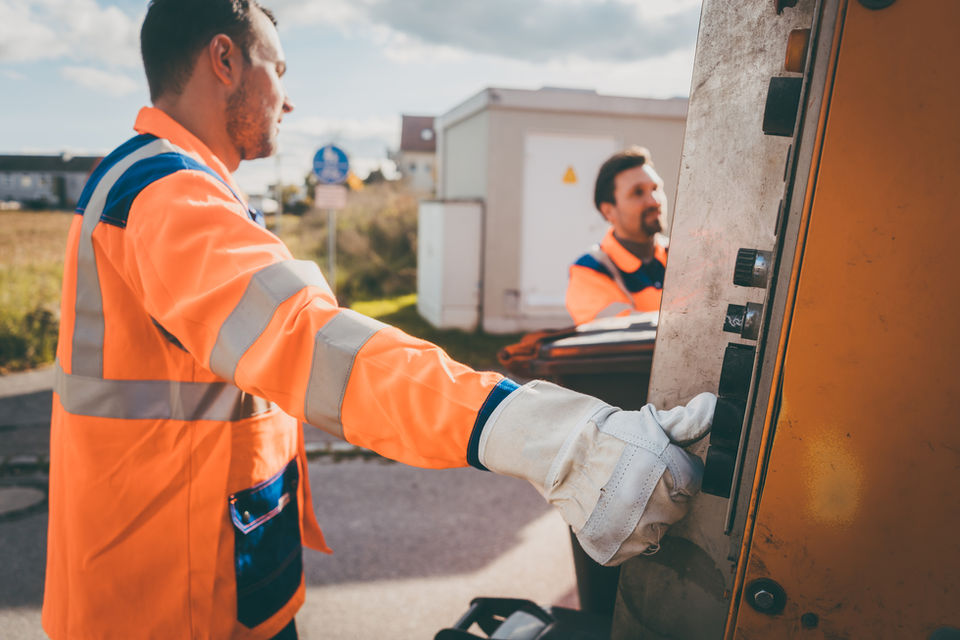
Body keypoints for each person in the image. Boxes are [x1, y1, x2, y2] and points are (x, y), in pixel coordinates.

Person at [43, 2, 715, 638]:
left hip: (192, 581)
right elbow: (318, 346)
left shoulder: (164, 187)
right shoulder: (165, 196)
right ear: (224, 60)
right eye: (278, 69)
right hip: (167, 606)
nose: (289, 96)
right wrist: (553, 440)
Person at [566, 147, 670, 325]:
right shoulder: (590, 270)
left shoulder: (684, 256)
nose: (654, 201)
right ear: (608, 211)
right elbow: (624, 336)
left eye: (656, 188)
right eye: (637, 192)